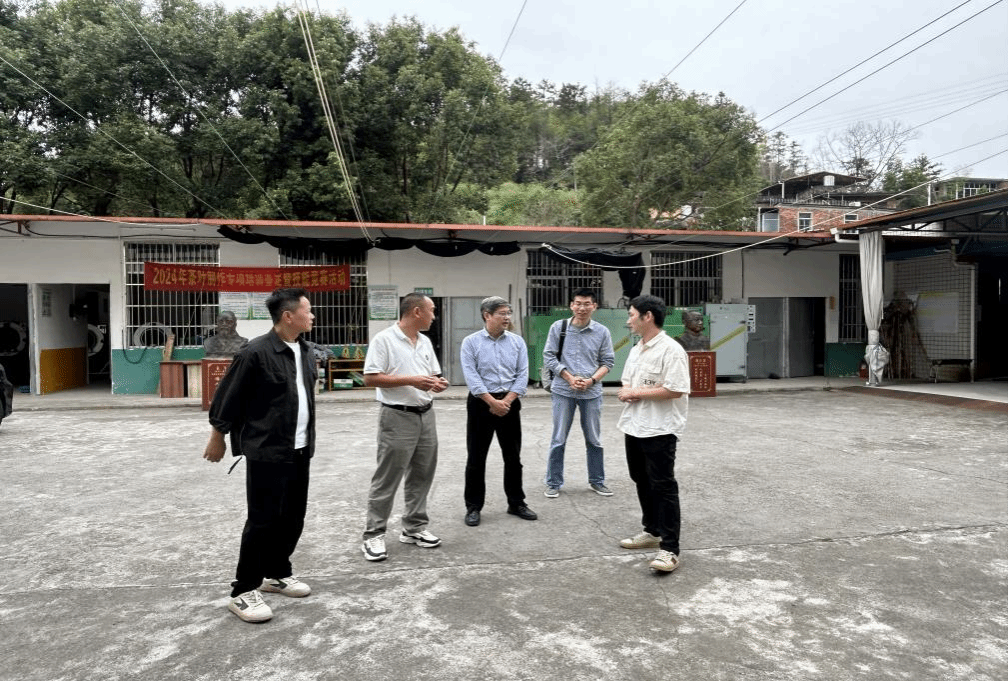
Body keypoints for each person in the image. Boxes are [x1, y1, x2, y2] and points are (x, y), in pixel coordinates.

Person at [203, 288, 317, 623]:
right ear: (288, 316)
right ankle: (243, 591)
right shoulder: (255, 352)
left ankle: (277, 572)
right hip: (267, 449)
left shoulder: (305, 350)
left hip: (300, 447)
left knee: (292, 516)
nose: (312, 316)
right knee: (263, 520)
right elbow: (228, 396)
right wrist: (218, 436)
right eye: (307, 310)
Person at [361, 293, 448, 562]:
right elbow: (370, 378)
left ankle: (414, 527)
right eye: (432, 310)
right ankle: (374, 533)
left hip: (426, 415)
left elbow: (432, 375)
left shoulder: (424, 341)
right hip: (397, 416)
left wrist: (438, 383)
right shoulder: (384, 339)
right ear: (417, 312)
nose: (434, 316)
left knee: (422, 474)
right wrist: (412, 380)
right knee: (388, 477)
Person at [616, 295, 691, 573]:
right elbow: (628, 381)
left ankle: (670, 549)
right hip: (635, 425)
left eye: (632, 315)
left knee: (663, 485)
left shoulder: (671, 350)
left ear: (647, 316)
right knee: (641, 479)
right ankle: (652, 530)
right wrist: (628, 391)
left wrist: (636, 392)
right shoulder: (637, 348)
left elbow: (675, 389)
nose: (629, 320)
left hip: (660, 428)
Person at [459, 296, 536, 526]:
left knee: (513, 457)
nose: (507, 318)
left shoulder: (517, 342)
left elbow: (522, 375)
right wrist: (492, 402)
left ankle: (516, 502)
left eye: (508, 313)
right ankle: (473, 506)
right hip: (481, 403)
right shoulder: (471, 342)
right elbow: (471, 376)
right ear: (487, 315)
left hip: (510, 403)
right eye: (502, 313)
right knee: (476, 457)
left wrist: (507, 401)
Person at [542, 288, 615, 498]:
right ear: (571, 305)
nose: (582, 308)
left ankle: (597, 481)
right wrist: (569, 378)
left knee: (594, 439)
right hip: (563, 391)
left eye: (587, 304)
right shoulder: (558, 327)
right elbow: (549, 357)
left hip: (591, 393)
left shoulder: (602, 332)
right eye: (578, 303)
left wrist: (591, 380)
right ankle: (553, 483)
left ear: (594, 306)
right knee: (558, 438)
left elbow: (607, 362)